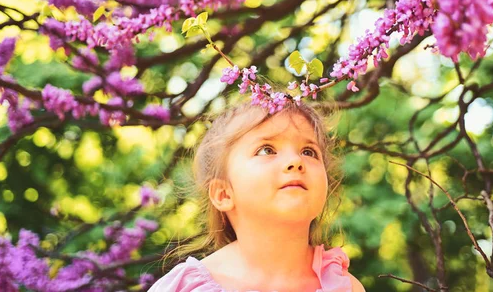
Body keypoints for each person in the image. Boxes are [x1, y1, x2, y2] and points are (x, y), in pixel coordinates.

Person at [148, 99, 365, 292]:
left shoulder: (344, 286)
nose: (295, 161)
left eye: (308, 152)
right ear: (223, 194)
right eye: (266, 150)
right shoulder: (183, 287)